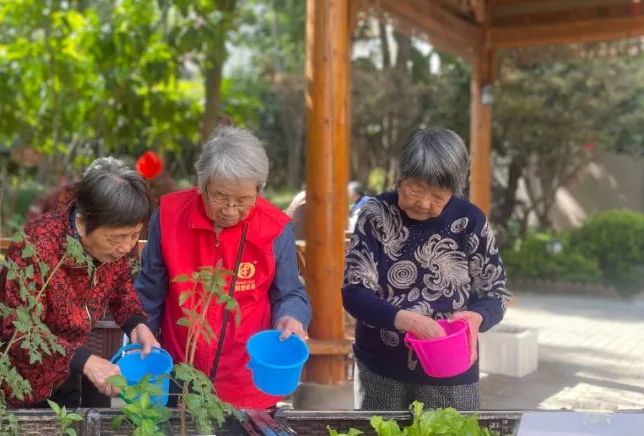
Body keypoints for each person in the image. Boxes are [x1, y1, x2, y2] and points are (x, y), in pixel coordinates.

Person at [136, 127, 312, 409]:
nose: (230, 210)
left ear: (259, 189)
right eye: (219, 197)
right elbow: (150, 291)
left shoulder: (275, 228)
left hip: (248, 380)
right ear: (201, 184)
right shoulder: (169, 216)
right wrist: (139, 330)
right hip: (181, 379)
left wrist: (292, 317)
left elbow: (290, 293)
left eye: (243, 200)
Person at [343, 128, 510, 411]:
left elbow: (496, 294)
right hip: (381, 367)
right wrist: (408, 321)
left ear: (454, 190)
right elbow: (355, 292)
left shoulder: (470, 221)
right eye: (415, 189)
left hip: (451, 370)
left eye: (437, 196)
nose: (423, 203)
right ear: (401, 176)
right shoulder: (376, 215)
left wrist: (478, 317)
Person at [0, 157, 159, 408]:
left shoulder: (117, 247)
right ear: (85, 222)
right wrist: (86, 361)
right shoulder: (37, 246)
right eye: (117, 238)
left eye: (134, 236)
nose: (127, 246)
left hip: (66, 368)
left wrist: (136, 323)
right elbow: (19, 331)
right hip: (11, 378)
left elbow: (121, 287)